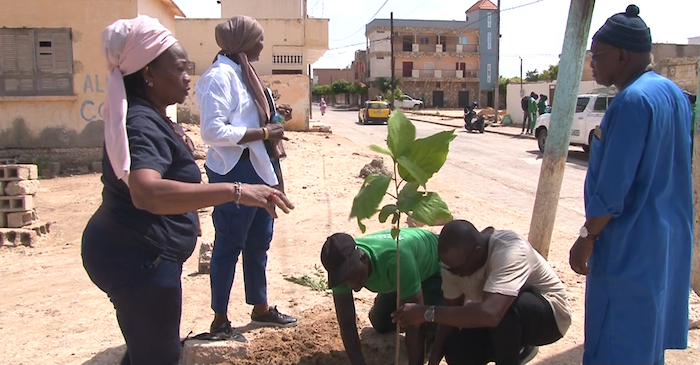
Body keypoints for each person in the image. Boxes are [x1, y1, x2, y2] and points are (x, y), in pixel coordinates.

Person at [81, 16, 294, 365]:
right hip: (138, 259)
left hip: (143, 254)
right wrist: (236, 190)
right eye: (179, 69)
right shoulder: (141, 123)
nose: (187, 78)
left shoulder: (153, 115)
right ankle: (220, 317)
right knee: (160, 356)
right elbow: (146, 192)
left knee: (146, 349)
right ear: (148, 74)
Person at [568, 5, 693, 365]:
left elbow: (612, 190)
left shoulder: (631, 101)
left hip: (628, 251)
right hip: (664, 247)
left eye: (598, 55)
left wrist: (587, 238)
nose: (592, 63)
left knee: (614, 345)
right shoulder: (673, 96)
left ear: (622, 56)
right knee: (645, 345)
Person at [195, 15, 296, 343]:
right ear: (241, 42)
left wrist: (274, 116)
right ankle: (220, 318)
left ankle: (261, 307)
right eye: (258, 39)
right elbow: (212, 130)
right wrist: (264, 130)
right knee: (229, 243)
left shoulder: (245, 73)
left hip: (259, 167)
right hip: (234, 170)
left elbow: (254, 117)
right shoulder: (218, 77)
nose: (262, 45)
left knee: (259, 241)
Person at [392, 220, 571, 365]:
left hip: (549, 317)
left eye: (458, 270)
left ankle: (517, 352)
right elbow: (450, 315)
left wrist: (426, 312)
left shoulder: (510, 250)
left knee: (502, 309)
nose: (455, 274)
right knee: (457, 352)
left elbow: (491, 314)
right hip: (497, 321)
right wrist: (433, 361)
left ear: (477, 253)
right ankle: (516, 349)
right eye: (449, 268)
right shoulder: (453, 264)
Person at [320, 228, 443, 365]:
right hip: (402, 276)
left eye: (352, 277)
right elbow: (346, 323)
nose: (349, 285)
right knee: (380, 321)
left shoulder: (396, 259)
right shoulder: (342, 271)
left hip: (435, 272)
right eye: (344, 280)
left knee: (419, 332)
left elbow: (417, 326)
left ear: (363, 258)